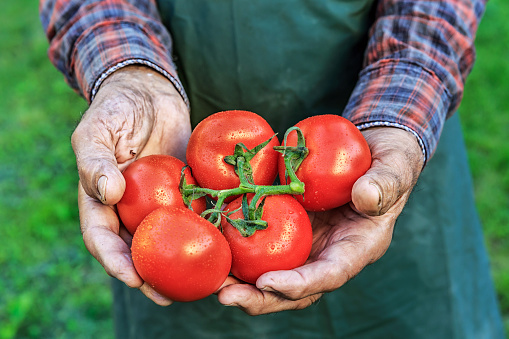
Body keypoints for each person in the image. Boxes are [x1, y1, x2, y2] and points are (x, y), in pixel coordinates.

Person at [40, 0, 504, 338]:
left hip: (379, 155)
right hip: (170, 155)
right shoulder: (178, 204)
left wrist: (398, 117)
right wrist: (129, 75)